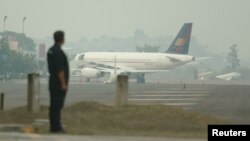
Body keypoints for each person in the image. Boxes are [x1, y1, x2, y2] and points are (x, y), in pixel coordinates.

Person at [47, 31, 69, 133]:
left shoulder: (50, 50)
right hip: (58, 84)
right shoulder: (58, 52)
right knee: (57, 106)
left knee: (53, 106)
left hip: (52, 82)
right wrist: (63, 83)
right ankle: (57, 128)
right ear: (62, 39)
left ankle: (53, 126)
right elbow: (60, 70)